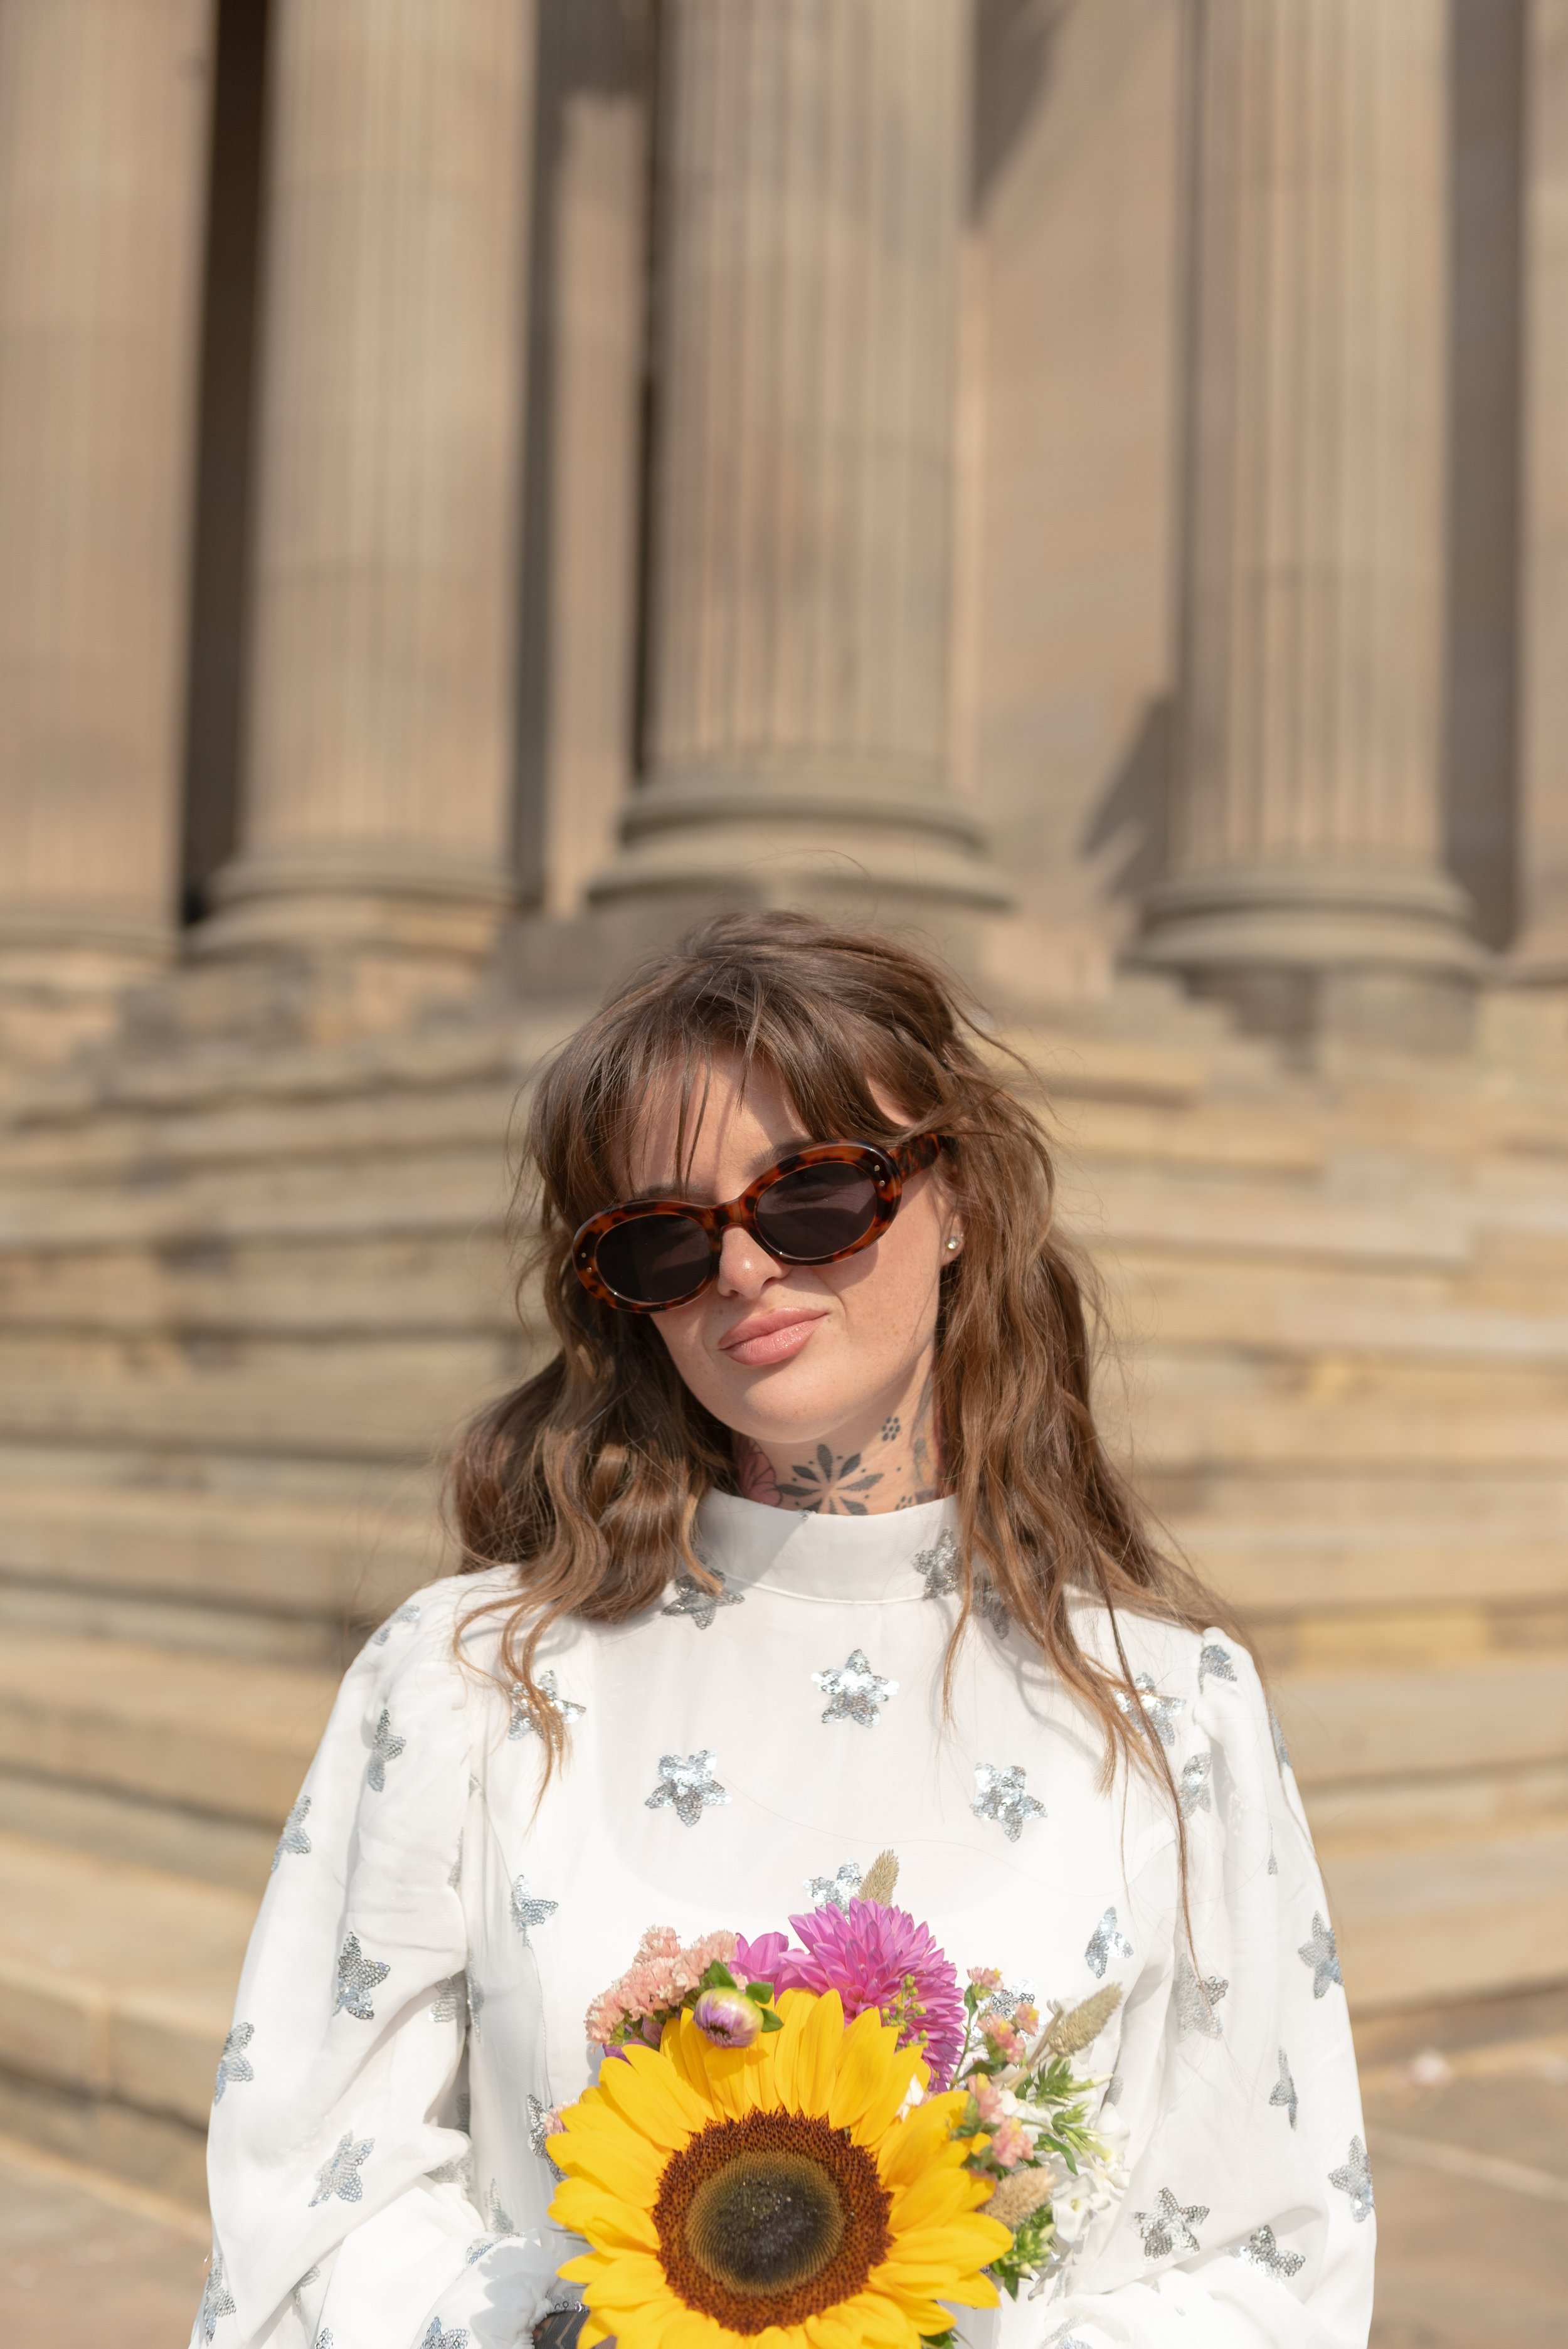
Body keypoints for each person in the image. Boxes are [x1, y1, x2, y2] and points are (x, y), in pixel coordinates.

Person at [196, 912, 1374, 2349]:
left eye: (813, 1194)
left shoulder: (1174, 1710)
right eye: (662, 1238)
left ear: (960, 1208)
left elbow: (1271, 2252)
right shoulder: (464, 1682)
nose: (744, 1268)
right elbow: (310, 2202)